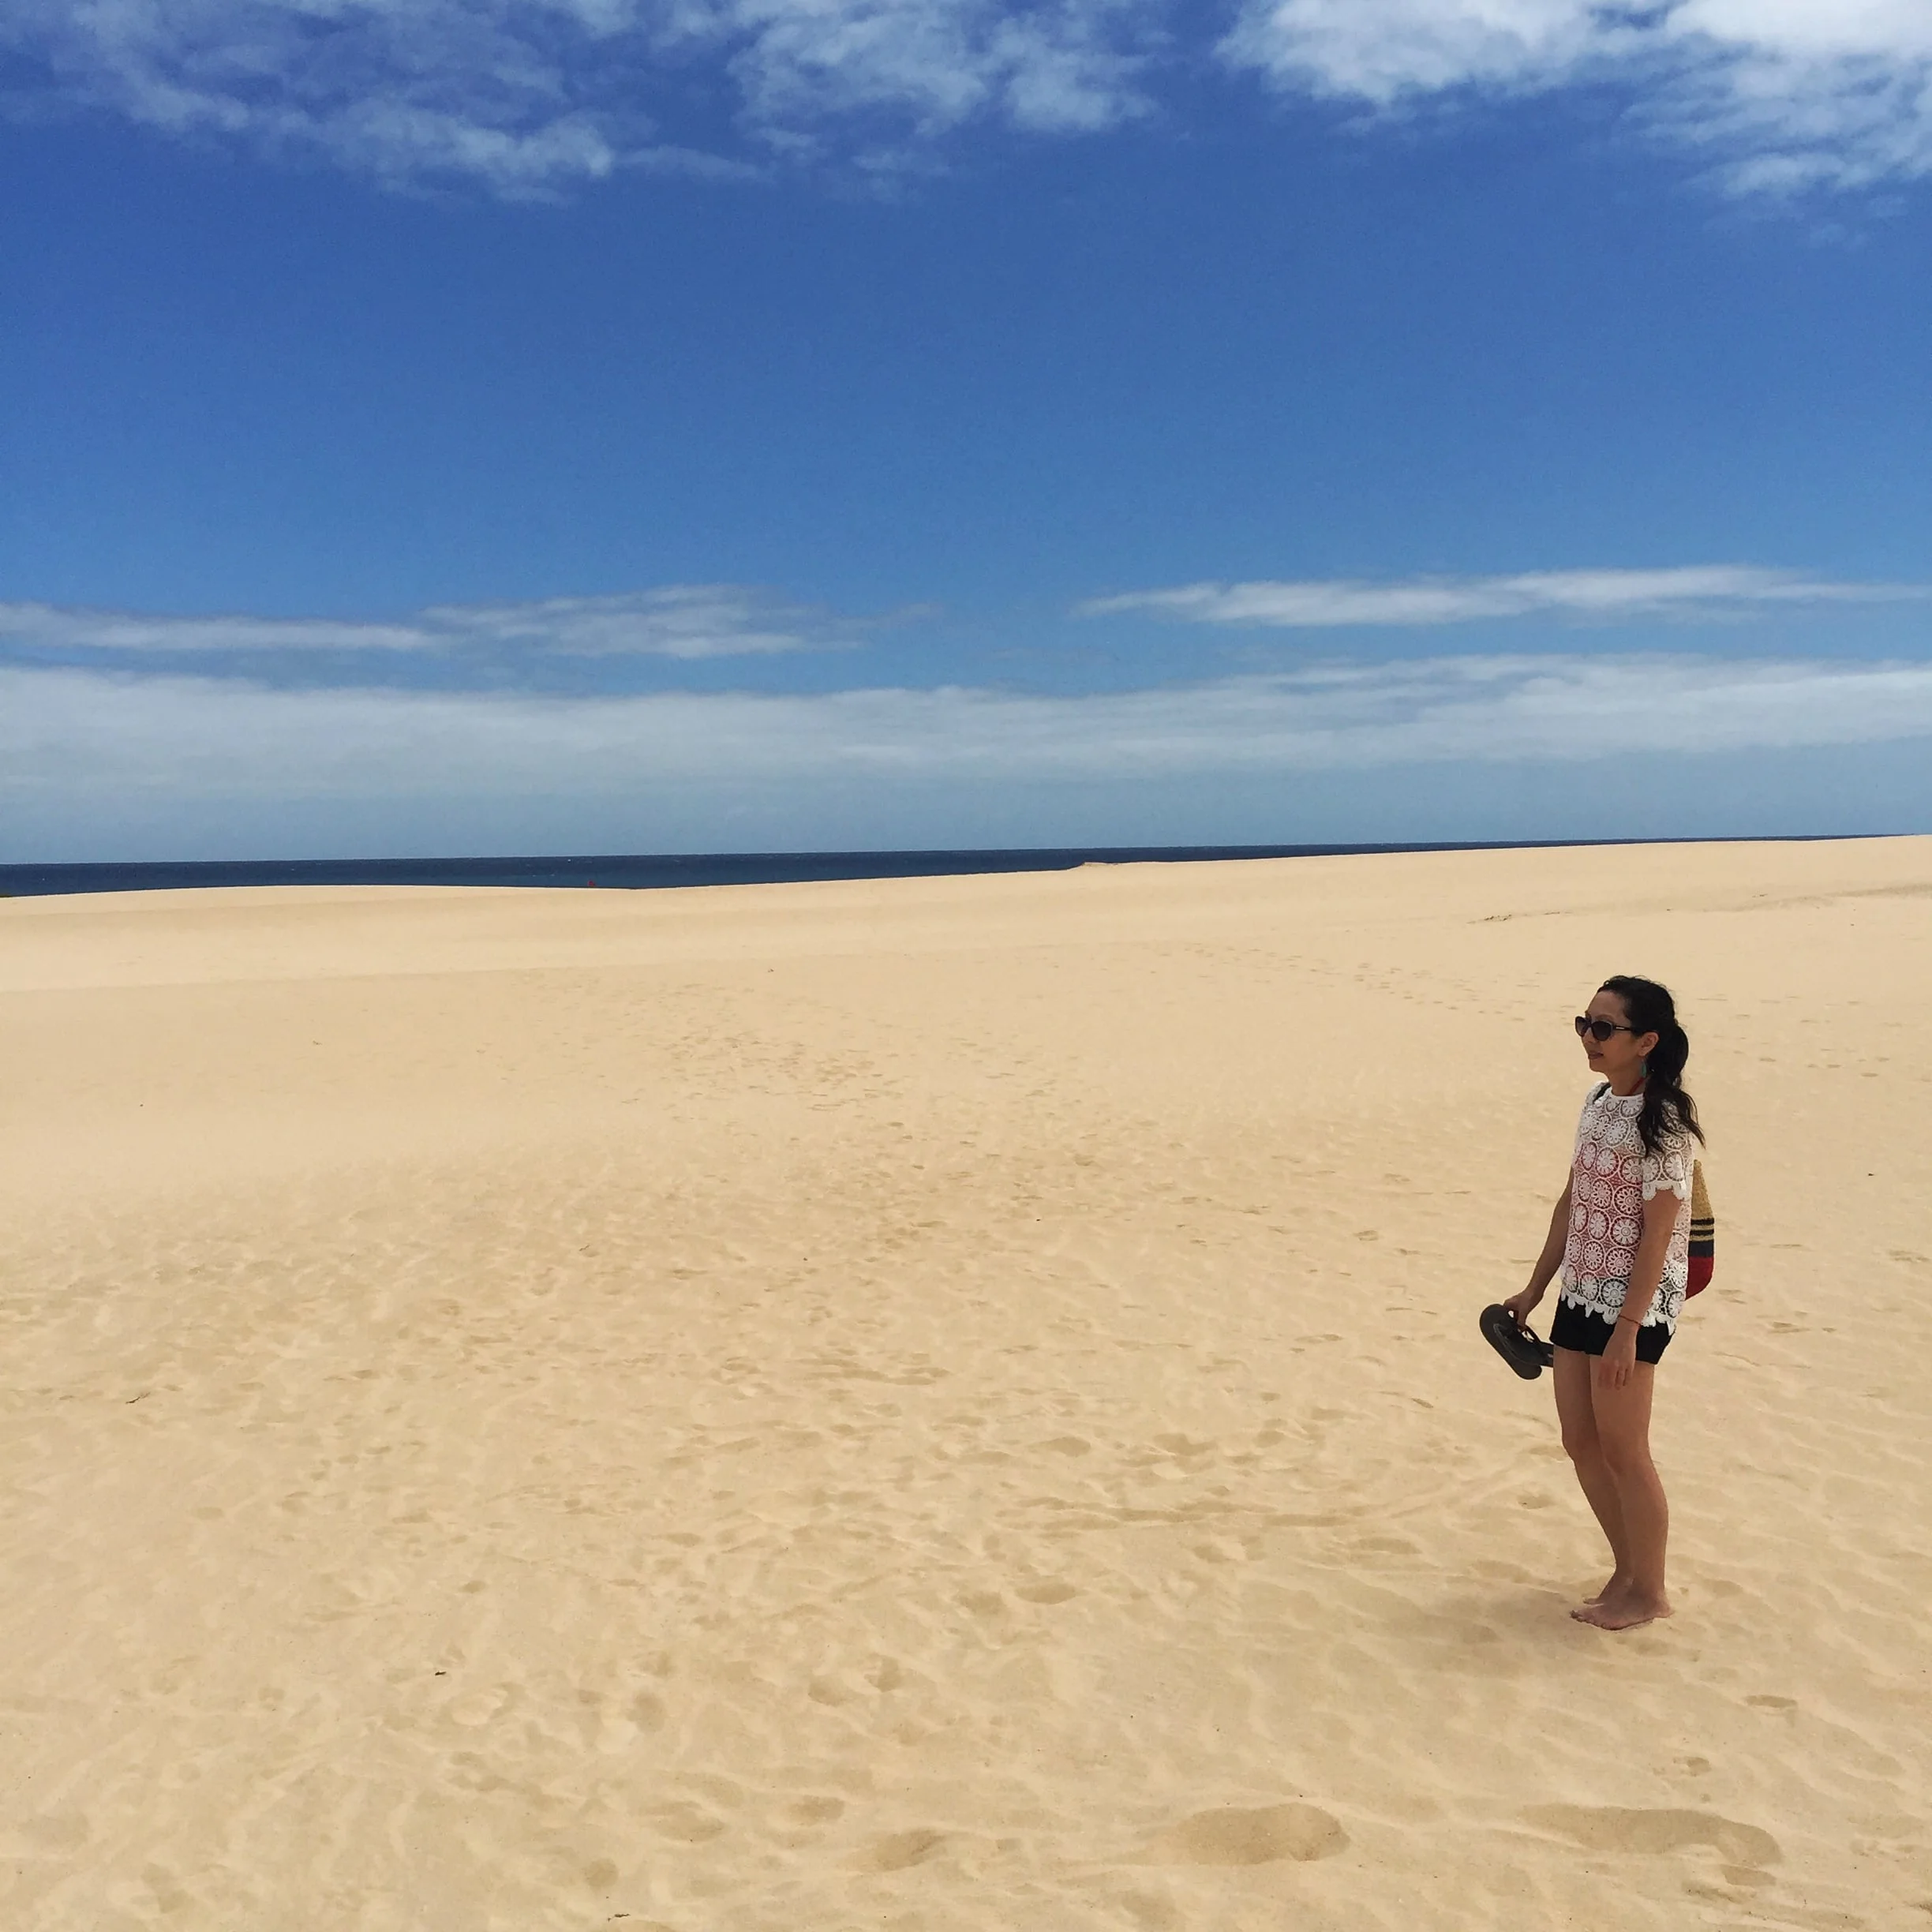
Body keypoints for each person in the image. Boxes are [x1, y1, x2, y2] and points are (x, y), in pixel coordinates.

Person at [1503, 975, 1703, 1631]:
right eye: (1584, 1023)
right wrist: (1535, 1288)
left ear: (1646, 1041)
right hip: (1579, 1292)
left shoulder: (1665, 1121)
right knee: (1580, 1439)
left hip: (1632, 1306)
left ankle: (1651, 1591)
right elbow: (1573, 1201)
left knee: (1626, 1450)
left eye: (1604, 1028)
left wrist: (1628, 1328)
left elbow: (1658, 1231)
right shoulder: (1596, 1100)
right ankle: (1626, 1571)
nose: (1590, 1038)